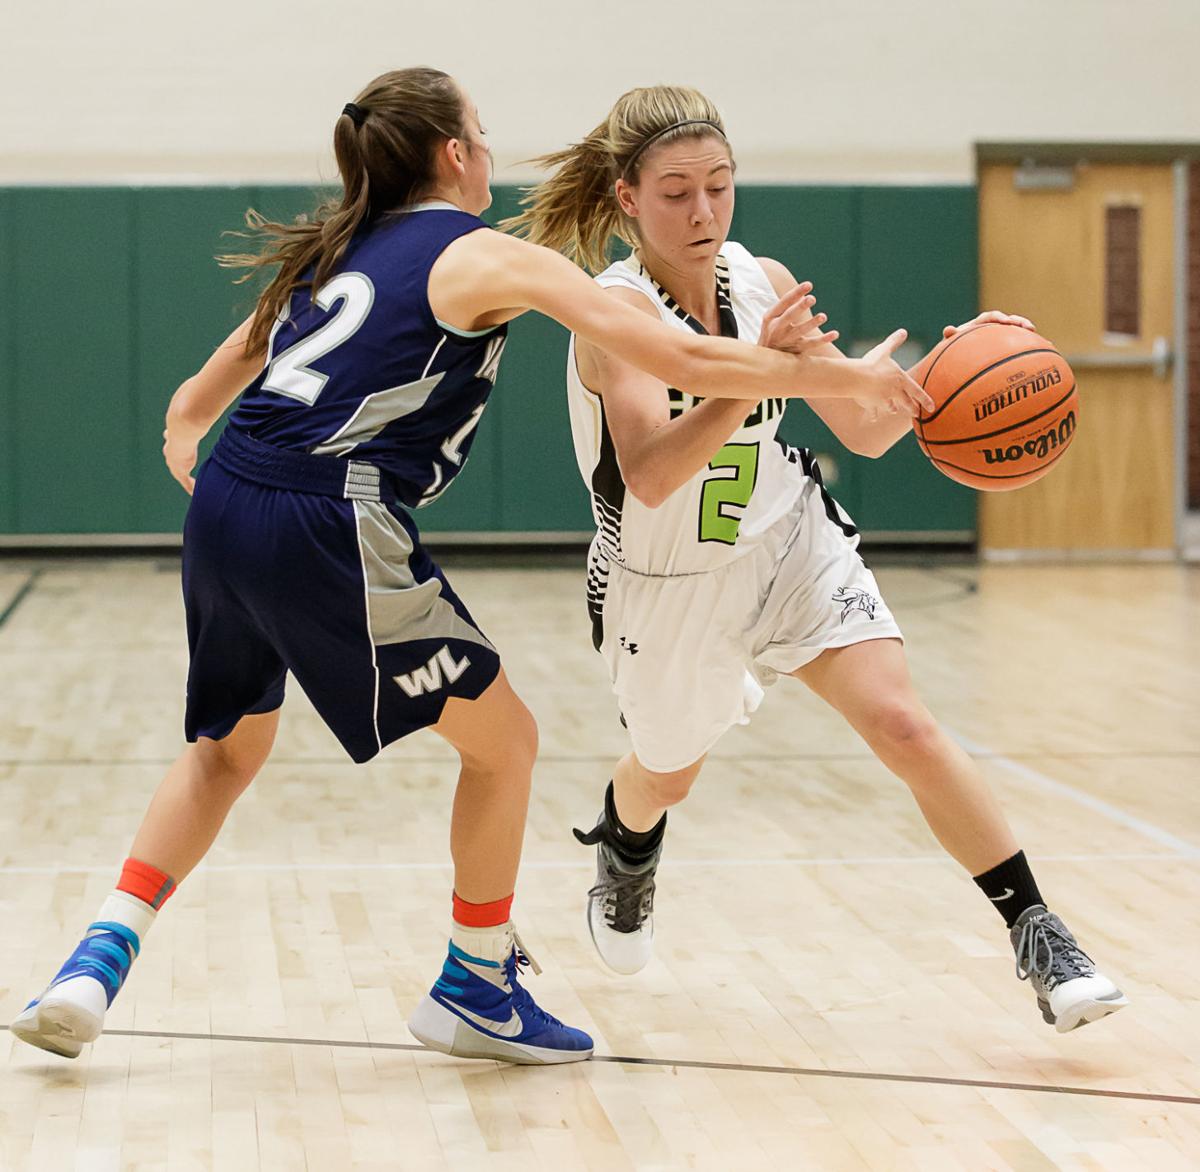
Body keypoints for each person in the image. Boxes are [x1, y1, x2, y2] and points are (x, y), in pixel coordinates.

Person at [10, 69, 929, 1067]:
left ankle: (94, 962)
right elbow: (684, 359)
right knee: (507, 743)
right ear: (455, 153)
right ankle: (476, 984)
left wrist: (188, 427)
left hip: (231, 495)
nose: (492, 148)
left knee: (225, 753)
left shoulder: (340, 245)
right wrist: (842, 376)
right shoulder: (483, 253)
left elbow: (222, 368)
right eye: (482, 132)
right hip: (330, 512)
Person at [507, 84, 1127, 1034]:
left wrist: (936, 384)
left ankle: (1038, 931)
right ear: (628, 198)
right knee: (666, 774)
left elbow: (864, 433)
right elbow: (652, 478)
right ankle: (626, 843)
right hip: (667, 582)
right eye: (677, 192)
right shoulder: (612, 316)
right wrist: (763, 372)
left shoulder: (763, 279)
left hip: (788, 538)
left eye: (720, 185)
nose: (704, 211)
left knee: (902, 722)